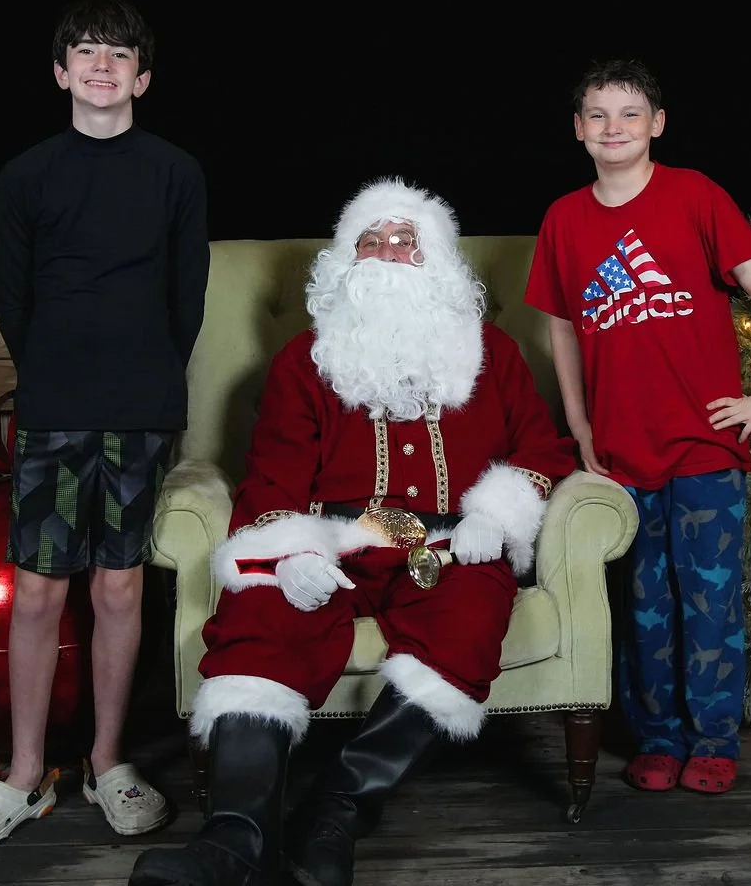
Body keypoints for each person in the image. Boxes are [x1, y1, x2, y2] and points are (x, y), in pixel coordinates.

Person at [128, 177, 577, 886]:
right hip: (334, 542)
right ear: (347, 264)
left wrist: (500, 512)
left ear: (435, 262)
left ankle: (333, 811)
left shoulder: (492, 353)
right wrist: (291, 552)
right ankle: (234, 838)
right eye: (371, 241)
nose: (388, 252)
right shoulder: (304, 361)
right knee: (262, 608)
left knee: (468, 616)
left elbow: (542, 452)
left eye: (405, 240)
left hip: (451, 548)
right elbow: (272, 474)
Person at [0, 0, 210, 854]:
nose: (102, 65)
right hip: (56, 407)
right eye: (86, 52)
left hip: (140, 407)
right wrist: (59, 370)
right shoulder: (26, 175)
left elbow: (186, 300)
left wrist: (144, 374)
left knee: (121, 586)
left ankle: (108, 760)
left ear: (143, 76)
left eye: (119, 54)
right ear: (61, 72)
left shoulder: (175, 172)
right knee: (39, 589)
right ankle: (23, 773)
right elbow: (13, 302)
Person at [524, 59, 751, 796]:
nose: (615, 128)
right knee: (643, 606)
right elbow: (562, 330)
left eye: (630, 113)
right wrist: (578, 424)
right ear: (579, 129)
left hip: (703, 446)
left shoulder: (694, 194)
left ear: (657, 124)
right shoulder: (564, 219)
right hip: (621, 453)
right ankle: (657, 737)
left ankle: (713, 740)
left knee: (707, 601)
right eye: (599, 115)